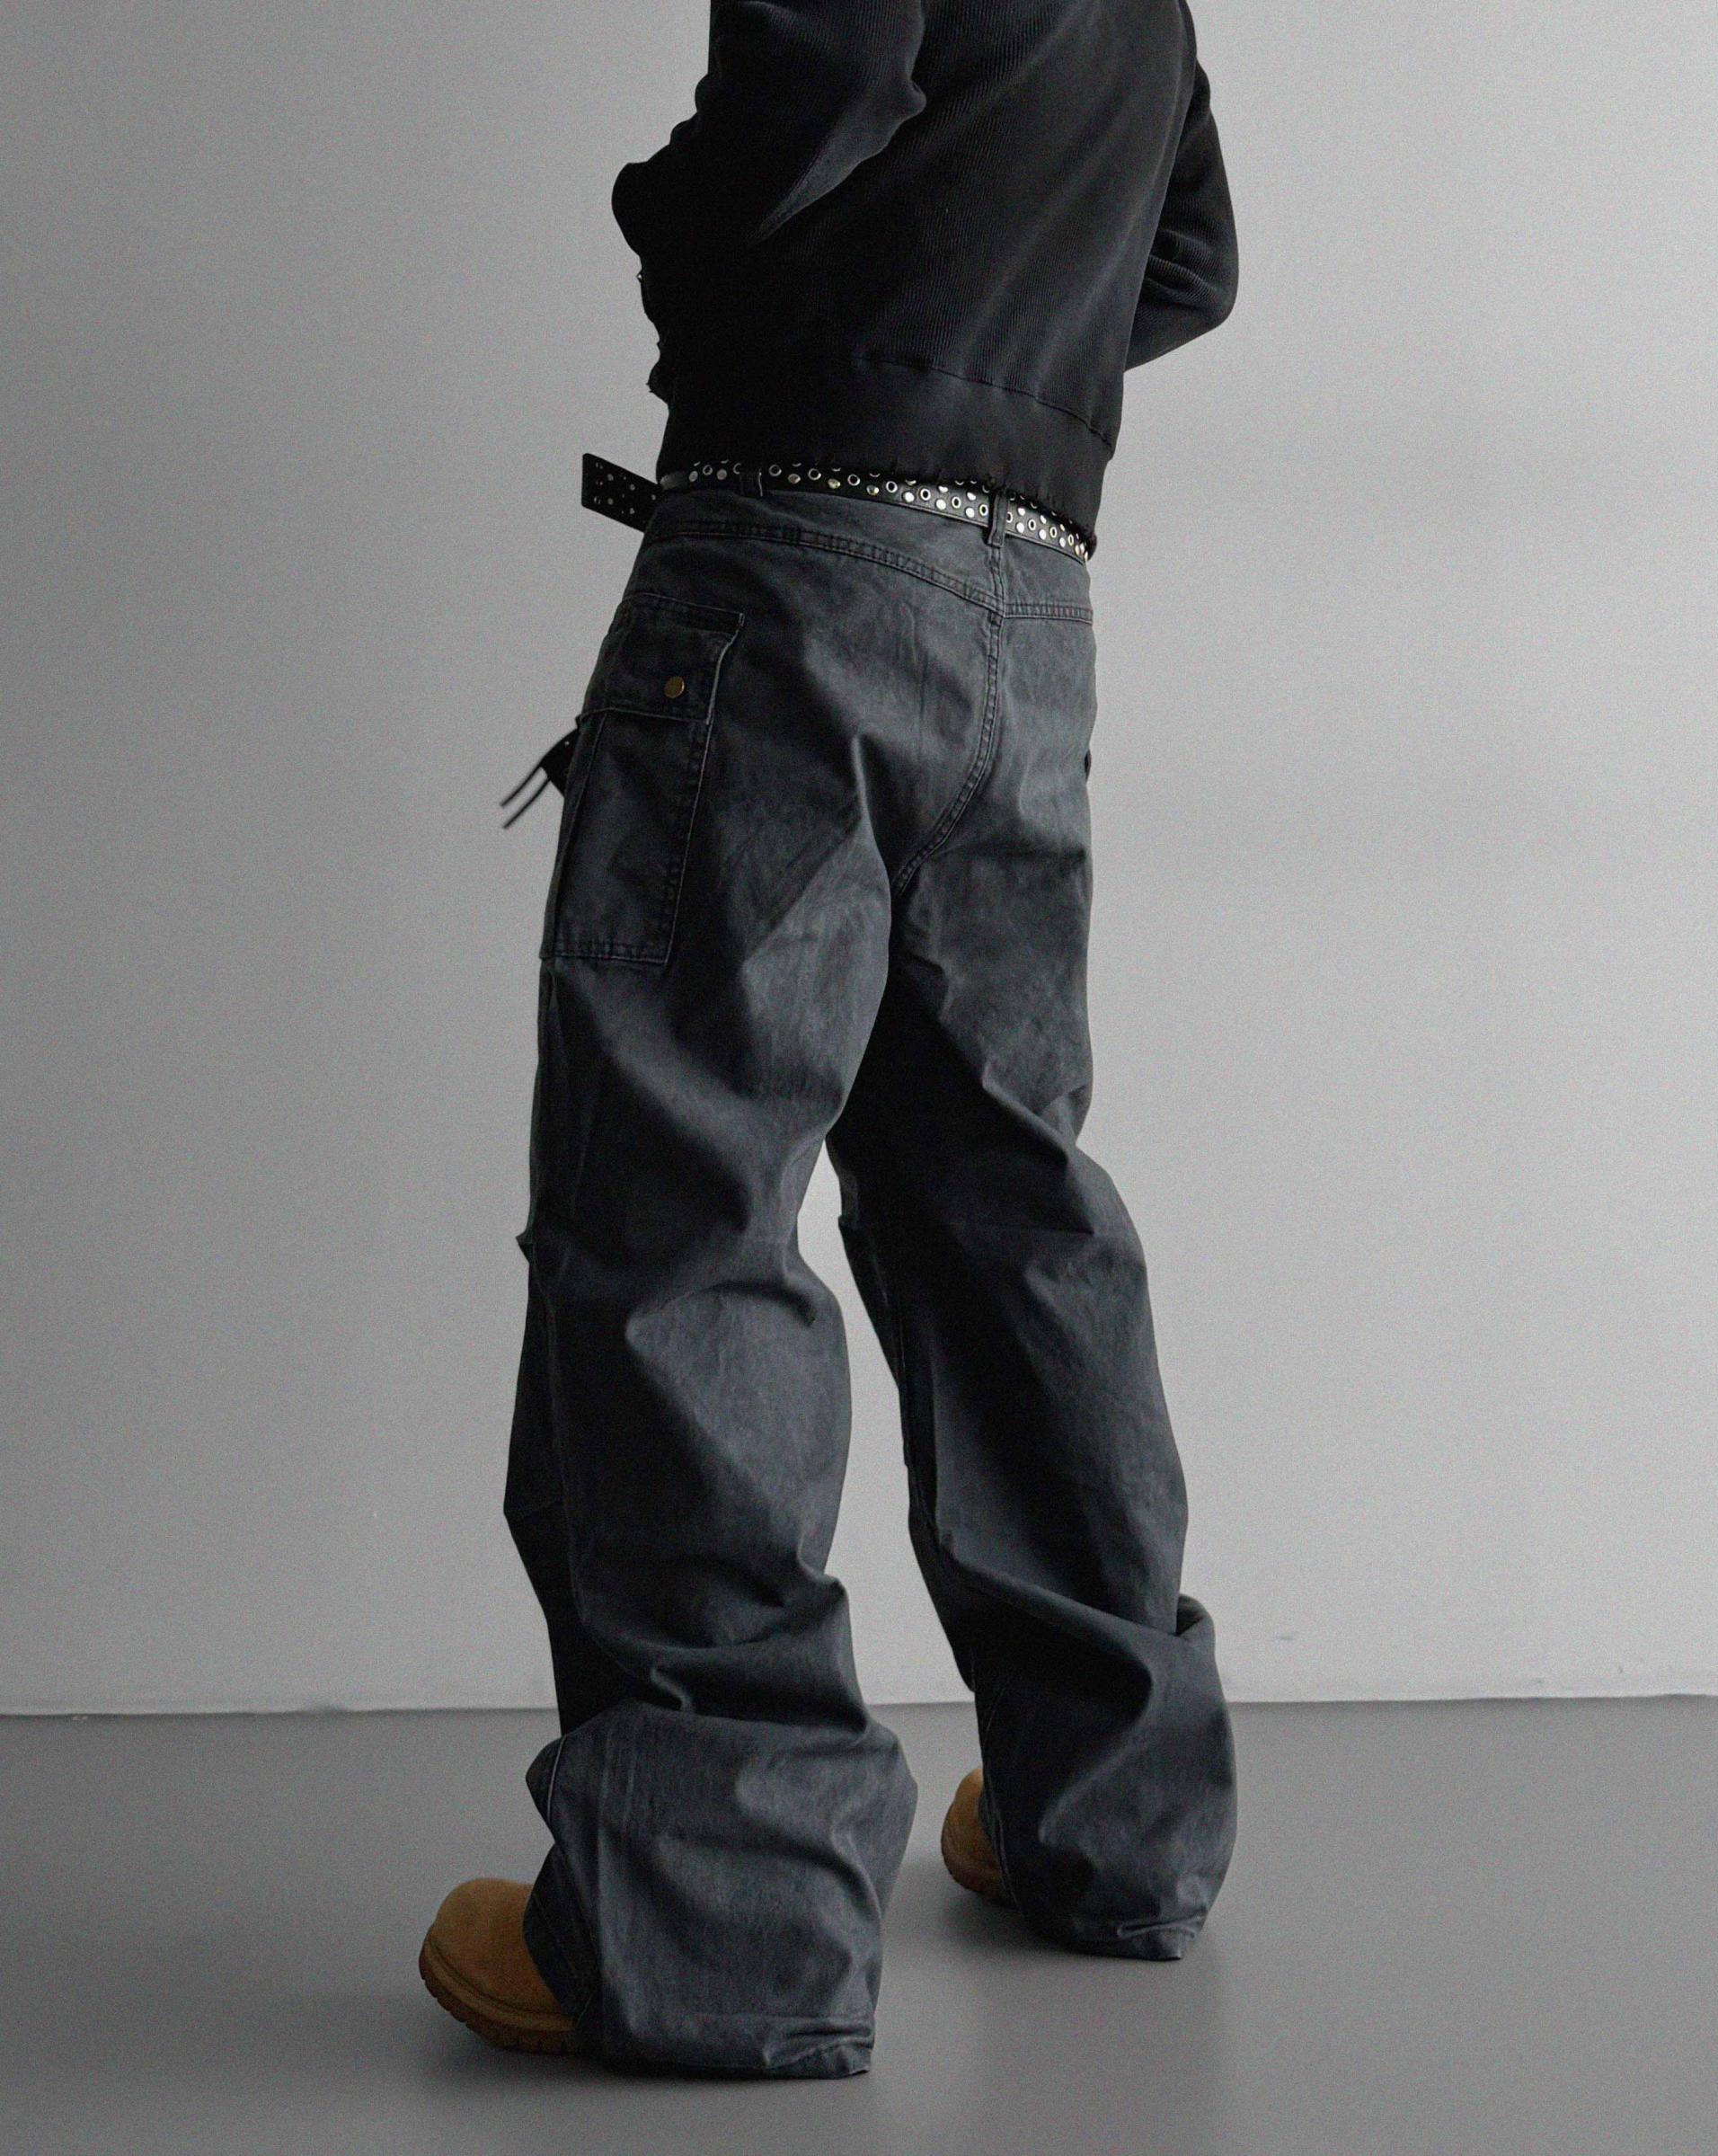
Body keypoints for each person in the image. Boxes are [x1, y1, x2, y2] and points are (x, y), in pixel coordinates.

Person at [419, 0, 1240, 2079]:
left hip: (792, 564)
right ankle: (1110, 1819)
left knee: (680, 1207)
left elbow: (821, 85)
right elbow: (1190, 263)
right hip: (1032, 607)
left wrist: (692, 258)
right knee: (1006, 1204)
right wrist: (986, 360)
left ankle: (722, 1922)